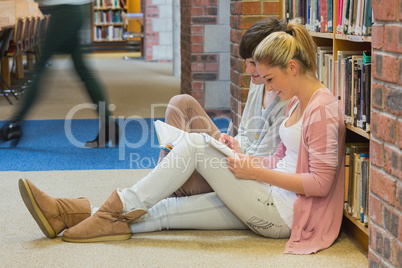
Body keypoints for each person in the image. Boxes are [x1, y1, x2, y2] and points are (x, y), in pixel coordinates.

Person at [19, 20, 346, 254]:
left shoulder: (322, 109)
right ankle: (71, 214)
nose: (268, 87)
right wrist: (251, 161)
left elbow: (320, 183)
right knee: (165, 214)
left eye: (271, 78)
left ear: (292, 67)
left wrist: (254, 170)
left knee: (194, 144)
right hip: (263, 193)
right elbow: (280, 159)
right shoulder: (298, 102)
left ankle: (110, 205)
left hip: (281, 214)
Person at [161, 18, 288, 197]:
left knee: (178, 182)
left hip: (249, 175)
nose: (247, 69)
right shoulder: (258, 83)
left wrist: (233, 153)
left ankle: (162, 184)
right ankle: (164, 180)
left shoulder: (287, 102)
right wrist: (235, 145)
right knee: (180, 103)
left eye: (253, 63)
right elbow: (244, 130)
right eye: (247, 62)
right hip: (236, 158)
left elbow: (267, 161)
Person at [0, 1, 118, 148]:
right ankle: (109, 125)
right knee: (83, 71)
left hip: (64, 11)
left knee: (40, 69)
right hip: (77, 11)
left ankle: (15, 125)